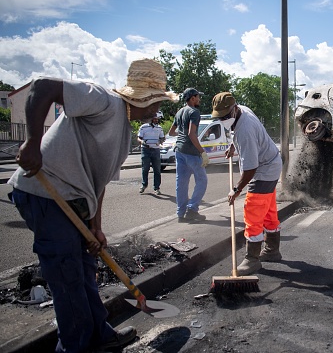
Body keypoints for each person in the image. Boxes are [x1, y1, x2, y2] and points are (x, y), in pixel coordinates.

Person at [8, 58, 178, 353]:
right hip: (43, 191)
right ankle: (75, 347)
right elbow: (42, 87)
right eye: (156, 102)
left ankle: (100, 334)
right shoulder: (103, 99)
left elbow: (98, 184)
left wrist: (96, 228)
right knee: (67, 274)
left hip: (75, 199)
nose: (157, 109)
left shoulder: (125, 134)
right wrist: (32, 142)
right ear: (144, 99)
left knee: (86, 266)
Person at [211, 92, 283, 275]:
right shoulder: (242, 110)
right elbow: (237, 133)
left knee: (253, 210)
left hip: (263, 169)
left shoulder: (245, 131)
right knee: (268, 210)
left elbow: (250, 169)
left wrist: (236, 189)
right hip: (271, 163)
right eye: (220, 118)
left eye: (226, 116)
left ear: (234, 109)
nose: (224, 120)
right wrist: (233, 145)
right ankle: (272, 251)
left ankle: (252, 259)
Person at [169, 88, 210, 220]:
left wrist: (181, 135)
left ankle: (180, 213)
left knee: (181, 182)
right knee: (202, 180)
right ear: (192, 98)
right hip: (191, 152)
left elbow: (171, 132)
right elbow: (191, 134)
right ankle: (192, 209)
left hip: (179, 151)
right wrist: (202, 152)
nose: (199, 99)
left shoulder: (179, 112)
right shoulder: (194, 112)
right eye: (198, 97)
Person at [138, 111, 165, 194]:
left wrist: (159, 142)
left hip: (156, 150)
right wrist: (143, 142)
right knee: (145, 168)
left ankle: (156, 188)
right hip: (145, 150)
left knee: (157, 169)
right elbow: (139, 138)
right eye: (155, 119)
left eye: (157, 119)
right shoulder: (143, 127)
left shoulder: (159, 128)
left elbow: (162, 138)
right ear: (151, 119)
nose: (156, 120)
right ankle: (144, 185)